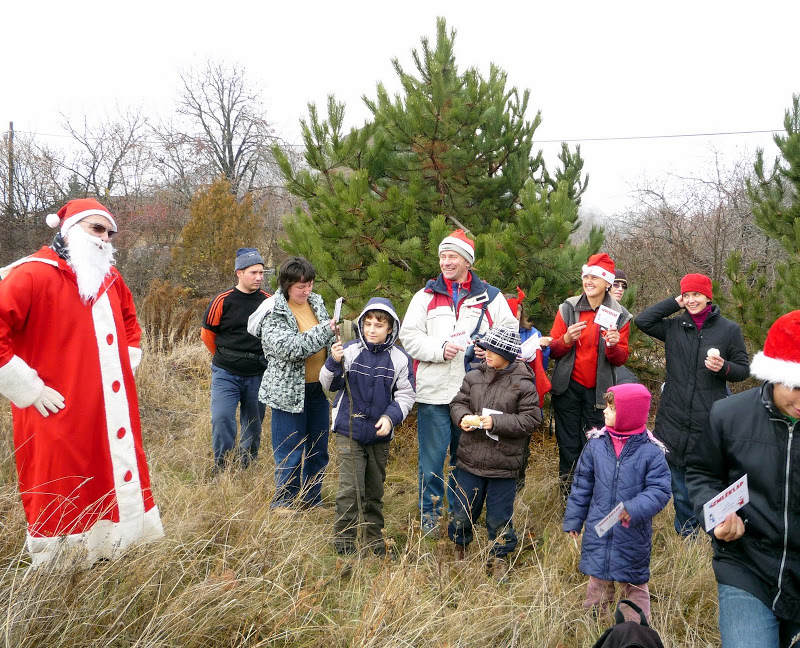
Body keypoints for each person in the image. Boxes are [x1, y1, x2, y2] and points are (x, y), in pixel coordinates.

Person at [0, 198, 163, 568]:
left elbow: (131, 327)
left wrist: (118, 374)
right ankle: (64, 572)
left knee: (108, 473)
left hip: (107, 409)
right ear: (70, 229)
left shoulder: (111, 278)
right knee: (63, 486)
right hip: (54, 409)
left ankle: (111, 554)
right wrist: (28, 388)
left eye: (109, 232)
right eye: (96, 228)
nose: (104, 238)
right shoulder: (32, 275)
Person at [686, 311, 800, 648]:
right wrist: (716, 514)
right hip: (747, 567)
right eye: (796, 386)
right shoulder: (729, 414)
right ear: (775, 374)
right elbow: (702, 472)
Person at [400, 229, 517, 534]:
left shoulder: (491, 297)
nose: (446, 262)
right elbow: (408, 336)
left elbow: (510, 333)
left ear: (467, 261)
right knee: (431, 460)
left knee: (464, 460)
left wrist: (488, 346)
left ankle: (458, 516)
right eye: (442, 256)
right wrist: (439, 350)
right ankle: (429, 514)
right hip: (434, 394)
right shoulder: (425, 296)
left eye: (452, 256)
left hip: (475, 397)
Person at [635, 273, 749, 536]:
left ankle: (716, 531)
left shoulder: (728, 330)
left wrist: (724, 368)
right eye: (687, 295)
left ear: (708, 296)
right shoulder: (674, 327)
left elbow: (743, 369)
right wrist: (676, 302)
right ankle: (688, 535)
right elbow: (643, 320)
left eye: (696, 294)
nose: (691, 300)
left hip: (709, 419)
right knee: (679, 484)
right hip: (674, 417)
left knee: (709, 481)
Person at [563, 383, 671, 621]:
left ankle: (635, 629)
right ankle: (593, 624)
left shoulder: (650, 452)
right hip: (598, 530)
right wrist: (574, 520)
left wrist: (633, 508)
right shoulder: (596, 445)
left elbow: (660, 490)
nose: (604, 411)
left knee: (634, 584)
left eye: (611, 408)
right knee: (598, 581)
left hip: (632, 533)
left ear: (628, 414)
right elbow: (582, 486)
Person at [320, 298, 415, 555]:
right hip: (348, 431)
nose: (372, 330)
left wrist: (390, 417)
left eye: (379, 325)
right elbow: (329, 385)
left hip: (379, 435)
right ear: (361, 325)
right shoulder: (348, 351)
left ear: (391, 329)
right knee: (350, 489)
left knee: (374, 489)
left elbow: (406, 395)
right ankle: (344, 543)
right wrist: (332, 362)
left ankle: (374, 541)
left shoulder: (399, 359)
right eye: (368, 324)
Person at [448, 326, 541, 577]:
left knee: (499, 516)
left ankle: (498, 558)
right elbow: (458, 402)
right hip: (470, 460)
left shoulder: (523, 383)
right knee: (463, 511)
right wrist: (463, 417)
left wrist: (497, 423)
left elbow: (531, 420)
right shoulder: (474, 375)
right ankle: (459, 548)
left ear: (507, 354)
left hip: (504, 465)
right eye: (485, 348)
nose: (486, 353)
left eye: (492, 350)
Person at [256, 256, 336, 510]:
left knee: (318, 447)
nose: (306, 291)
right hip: (287, 392)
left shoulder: (316, 303)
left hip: (318, 390)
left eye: (310, 284)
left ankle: (312, 499)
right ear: (286, 284)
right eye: (301, 286)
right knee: (289, 448)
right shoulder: (273, 311)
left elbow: (327, 339)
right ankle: (284, 503)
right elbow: (290, 348)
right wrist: (327, 330)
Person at [549, 253, 632, 494]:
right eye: (586, 276)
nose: (589, 281)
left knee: (595, 447)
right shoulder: (568, 308)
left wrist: (614, 345)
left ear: (607, 283)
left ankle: (591, 497)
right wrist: (566, 339)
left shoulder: (620, 314)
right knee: (568, 446)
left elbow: (621, 358)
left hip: (599, 394)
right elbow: (553, 350)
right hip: (568, 389)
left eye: (595, 277)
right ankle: (568, 498)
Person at [201, 248, 270, 473]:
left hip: (258, 373)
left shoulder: (269, 302)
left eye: (261, 272)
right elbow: (207, 334)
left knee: (253, 423)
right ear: (239, 273)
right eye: (253, 272)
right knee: (222, 418)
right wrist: (226, 358)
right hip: (225, 373)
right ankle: (222, 466)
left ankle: (246, 466)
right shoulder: (223, 300)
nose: (259, 277)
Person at [504, 287, 552, 491]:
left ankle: (518, 489)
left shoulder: (532, 334)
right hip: (499, 398)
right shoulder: (493, 331)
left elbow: (542, 366)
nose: (513, 316)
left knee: (521, 448)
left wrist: (543, 348)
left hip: (524, 398)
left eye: (516, 311)